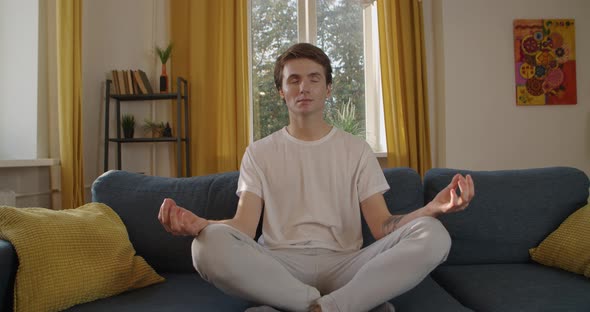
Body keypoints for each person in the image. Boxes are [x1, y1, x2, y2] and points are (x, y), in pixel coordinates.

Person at [158, 43, 474, 312]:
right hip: (279, 266)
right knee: (204, 247)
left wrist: (432, 208)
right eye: (293, 80)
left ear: (328, 88)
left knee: (434, 234)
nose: (304, 87)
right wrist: (201, 225)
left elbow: (383, 227)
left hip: (347, 265)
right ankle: (328, 304)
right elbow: (243, 227)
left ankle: (323, 307)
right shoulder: (259, 152)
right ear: (281, 91)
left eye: (313, 78)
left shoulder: (356, 150)